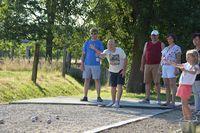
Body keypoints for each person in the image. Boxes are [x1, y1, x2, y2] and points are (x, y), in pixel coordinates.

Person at [90, 39, 127, 108]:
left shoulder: (120, 50)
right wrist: (94, 49)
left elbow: (125, 59)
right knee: (113, 87)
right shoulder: (106, 51)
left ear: (115, 44)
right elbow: (101, 55)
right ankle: (113, 102)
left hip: (120, 71)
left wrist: (124, 70)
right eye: (108, 44)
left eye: (111, 44)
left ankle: (117, 102)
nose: (110, 45)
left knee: (119, 86)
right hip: (112, 71)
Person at [168, 49, 199, 120]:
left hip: (186, 86)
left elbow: (194, 72)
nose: (187, 58)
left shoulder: (196, 66)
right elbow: (177, 65)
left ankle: (190, 119)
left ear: (194, 57)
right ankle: (186, 119)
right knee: (183, 104)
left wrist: (185, 70)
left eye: (189, 57)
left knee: (185, 104)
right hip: (182, 85)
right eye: (186, 57)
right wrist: (169, 62)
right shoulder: (186, 64)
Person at [140, 30, 165, 104]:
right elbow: (144, 55)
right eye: (152, 35)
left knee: (157, 82)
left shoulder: (161, 44)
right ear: (150, 36)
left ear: (158, 36)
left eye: (155, 35)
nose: (153, 36)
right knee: (147, 82)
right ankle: (147, 98)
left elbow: (164, 56)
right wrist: (142, 65)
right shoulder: (147, 43)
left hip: (157, 65)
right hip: (147, 65)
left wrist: (161, 66)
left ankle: (158, 99)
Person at [80, 28, 104, 102]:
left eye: (95, 33)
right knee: (86, 80)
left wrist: (94, 48)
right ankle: (85, 96)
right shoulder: (86, 43)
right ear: (90, 34)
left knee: (97, 80)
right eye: (92, 33)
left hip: (96, 64)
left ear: (97, 34)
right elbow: (83, 54)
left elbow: (102, 54)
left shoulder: (99, 43)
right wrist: (82, 64)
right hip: (87, 64)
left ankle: (98, 97)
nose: (93, 35)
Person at [161, 34, 181, 108]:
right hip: (164, 67)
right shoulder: (165, 48)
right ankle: (167, 101)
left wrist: (177, 67)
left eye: (170, 38)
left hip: (172, 66)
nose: (169, 40)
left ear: (173, 39)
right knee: (166, 85)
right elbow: (162, 58)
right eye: (168, 38)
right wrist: (160, 67)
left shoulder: (177, 48)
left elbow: (178, 58)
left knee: (172, 84)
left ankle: (173, 102)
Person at [192, 33, 200, 113]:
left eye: (197, 39)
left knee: (199, 92)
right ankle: (197, 109)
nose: (195, 41)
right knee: (195, 92)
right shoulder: (193, 51)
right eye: (194, 39)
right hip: (193, 75)